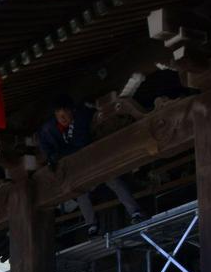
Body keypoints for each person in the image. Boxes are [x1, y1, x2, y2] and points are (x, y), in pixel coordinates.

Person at [38, 94, 143, 237]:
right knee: (81, 194)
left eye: (65, 114)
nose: (62, 119)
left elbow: (80, 143)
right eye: (59, 115)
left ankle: (135, 212)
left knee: (114, 181)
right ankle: (92, 225)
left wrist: (60, 154)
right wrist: (51, 158)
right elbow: (45, 146)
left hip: (93, 159)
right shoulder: (49, 129)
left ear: (72, 111)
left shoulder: (81, 118)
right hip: (75, 168)